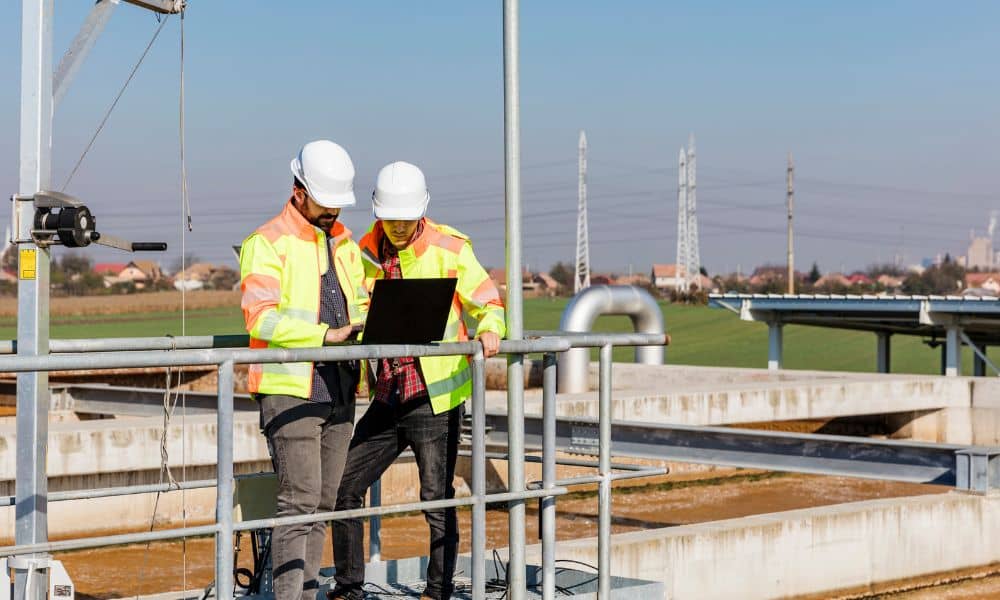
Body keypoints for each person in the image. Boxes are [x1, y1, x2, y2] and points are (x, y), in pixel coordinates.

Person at [330, 161, 505, 600]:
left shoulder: (450, 247)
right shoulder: (362, 251)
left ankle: (437, 592)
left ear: (421, 212)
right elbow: (356, 305)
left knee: (436, 498)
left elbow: (486, 299)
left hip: (434, 398)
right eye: (390, 220)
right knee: (344, 487)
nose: (398, 228)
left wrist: (490, 328)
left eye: (405, 221)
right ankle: (348, 589)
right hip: (388, 396)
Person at [239, 140, 369, 600]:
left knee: (323, 504)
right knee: (299, 503)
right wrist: (323, 336)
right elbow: (260, 318)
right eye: (325, 203)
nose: (333, 212)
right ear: (299, 191)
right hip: (291, 388)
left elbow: (361, 301)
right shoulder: (266, 242)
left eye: (338, 205)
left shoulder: (346, 244)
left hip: (340, 387)